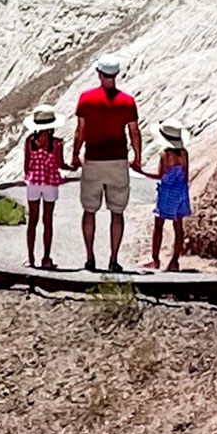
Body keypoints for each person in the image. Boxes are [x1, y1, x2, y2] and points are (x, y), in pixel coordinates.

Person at [73, 55, 141, 272]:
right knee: (117, 212)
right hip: (118, 159)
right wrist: (137, 157)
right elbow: (133, 132)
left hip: (93, 159)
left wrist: (75, 154)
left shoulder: (86, 99)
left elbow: (80, 131)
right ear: (116, 74)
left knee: (90, 210)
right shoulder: (127, 101)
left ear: (99, 74)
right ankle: (113, 260)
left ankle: (90, 258)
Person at [19, 106, 64, 269]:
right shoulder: (57, 143)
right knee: (48, 220)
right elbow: (60, 164)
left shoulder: (30, 141)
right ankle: (46, 258)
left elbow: (26, 164)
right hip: (50, 182)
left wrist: (30, 176)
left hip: (34, 182)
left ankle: (30, 257)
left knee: (33, 220)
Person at [144, 122, 191, 272]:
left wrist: (141, 172)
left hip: (167, 191)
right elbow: (186, 175)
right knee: (178, 226)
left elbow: (160, 174)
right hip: (180, 190)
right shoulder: (184, 153)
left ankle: (155, 259)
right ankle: (175, 260)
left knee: (159, 225)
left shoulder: (165, 154)